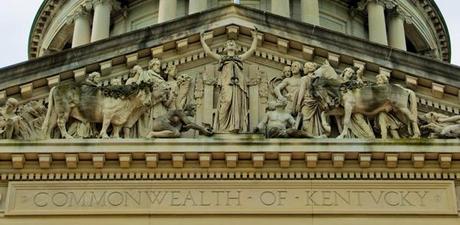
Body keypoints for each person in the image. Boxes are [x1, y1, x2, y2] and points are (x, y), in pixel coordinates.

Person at [200, 28, 260, 133]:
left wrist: (255, 37)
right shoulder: (222, 58)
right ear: (225, 48)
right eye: (228, 43)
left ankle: (235, 125)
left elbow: (252, 50)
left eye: (233, 43)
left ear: (236, 48)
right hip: (226, 83)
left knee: (236, 104)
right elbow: (208, 52)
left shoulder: (239, 58)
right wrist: (202, 40)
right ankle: (223, 127)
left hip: (238, 85)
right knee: (226, 101)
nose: (231, 43)